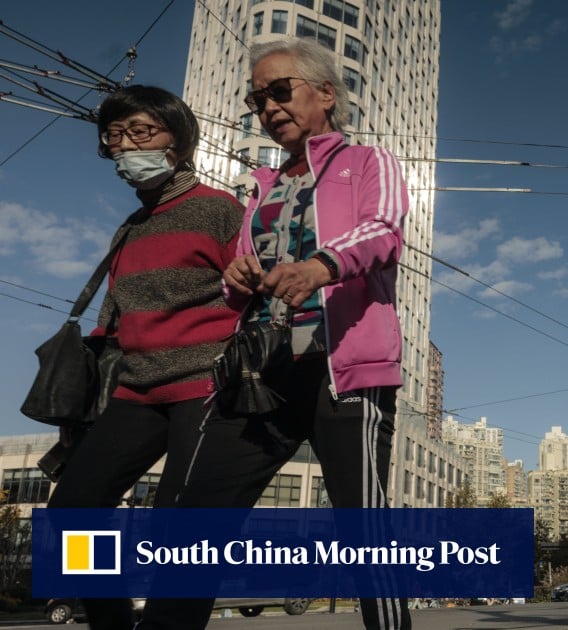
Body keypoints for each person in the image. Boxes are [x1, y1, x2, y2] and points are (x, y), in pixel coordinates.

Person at [137, 38, 410, 630]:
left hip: (343, 370)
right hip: (259, 373)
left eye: (280, 90)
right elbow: (241, 284)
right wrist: (237, 278)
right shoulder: (258, 189)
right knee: (198, 518)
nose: (268, 107)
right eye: (257, 99)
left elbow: (384, 232)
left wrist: (321, 266)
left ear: (326, 94)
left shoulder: (368, 164)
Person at [44, 85, 244, 629]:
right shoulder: (129, 228)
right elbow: (112, 323)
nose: (126, 147)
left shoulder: (221, 211)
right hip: (134, 392)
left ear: (177, 143)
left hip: (204, 389)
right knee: (70, 516)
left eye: (141, 132)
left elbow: (256, 299)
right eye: (114, 137)